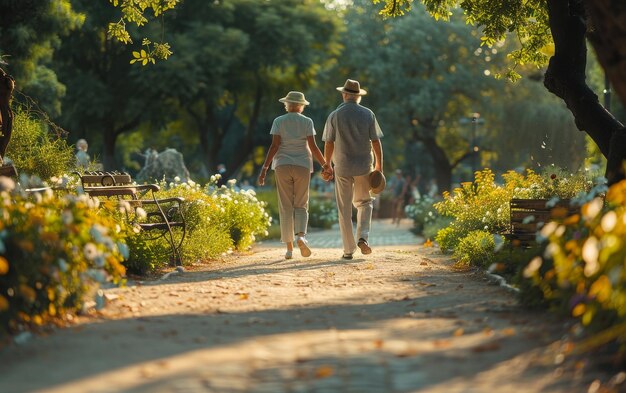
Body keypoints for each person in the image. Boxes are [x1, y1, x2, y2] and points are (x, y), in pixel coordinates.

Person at [258, 91, 330, 260]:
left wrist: (264, 168)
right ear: (301, 106)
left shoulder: (278, 121)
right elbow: (313, 147)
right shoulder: (307, 121)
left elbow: (274, 146)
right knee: (301, 204)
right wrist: (326, 165)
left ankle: (289, 249)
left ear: (287, 104)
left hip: (282, 165)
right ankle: (301, 236)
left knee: (286, 206)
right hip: (303, 165)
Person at [322, 79, 384, 260]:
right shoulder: (368, 114)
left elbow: (328, 142)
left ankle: (348, 250)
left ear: (344, 94)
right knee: (364, 203)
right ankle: (363, 238)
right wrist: (379, 165)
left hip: (342, 166)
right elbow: (376, 142)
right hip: (364, 166)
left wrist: (327, 165)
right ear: (357, 96)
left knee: (344, 209)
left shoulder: (334, 115)